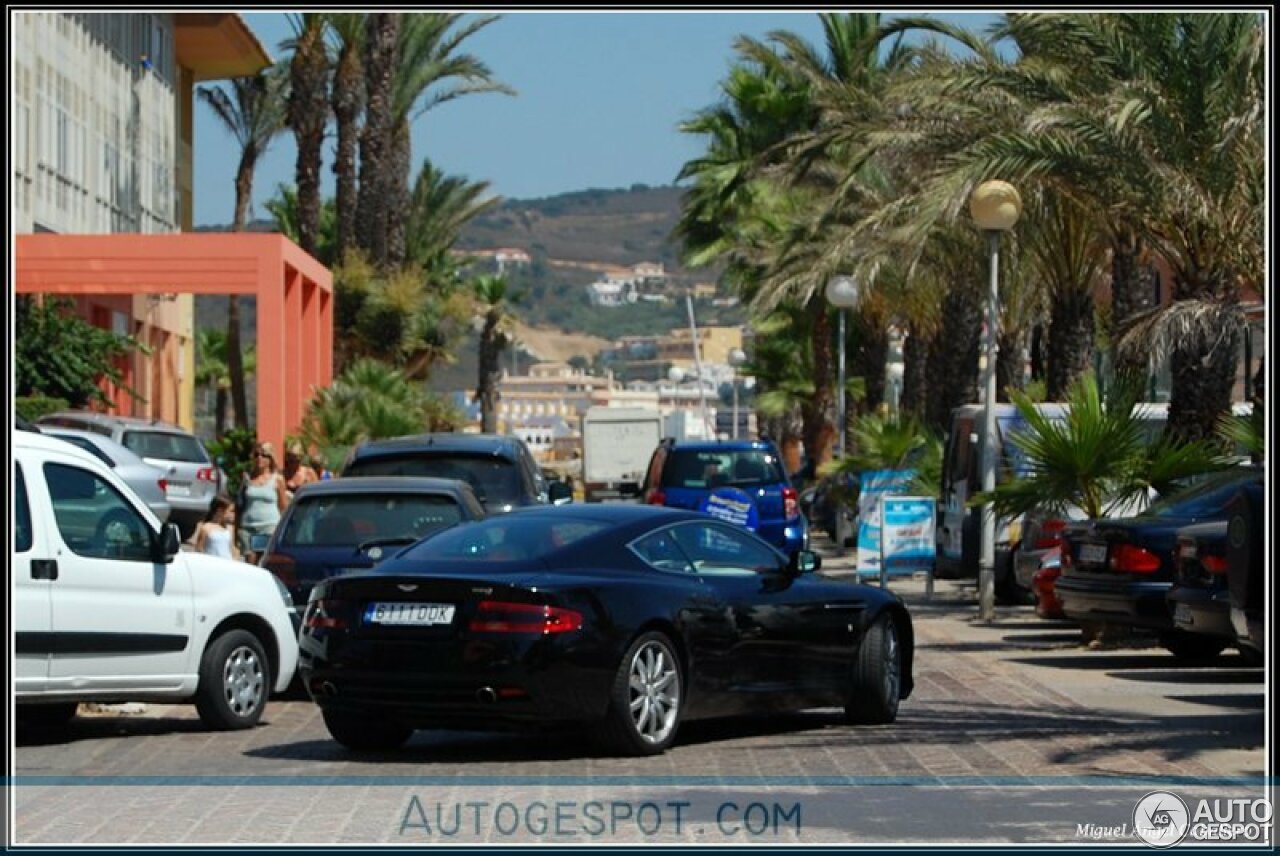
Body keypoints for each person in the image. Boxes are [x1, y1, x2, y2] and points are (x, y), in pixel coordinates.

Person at [237, 441, 288, 564]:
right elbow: (239, 505)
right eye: (256, 455)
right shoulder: (247, 479)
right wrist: (235, 530)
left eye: (263, 455)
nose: (259, 458)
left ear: (270, 458)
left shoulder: (277, 479)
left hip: (268, 526)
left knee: (262, 560)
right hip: (248, 527)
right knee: (249, 561)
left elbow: (283, 507)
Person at [194, 494, 240, 561]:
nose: (233, 514)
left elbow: (233, 548)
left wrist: (235, 558)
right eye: (231, 511)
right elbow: (199, 549)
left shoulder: (230, 528)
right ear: (220, 511)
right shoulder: (206, 528)